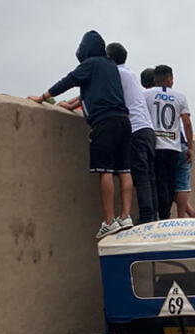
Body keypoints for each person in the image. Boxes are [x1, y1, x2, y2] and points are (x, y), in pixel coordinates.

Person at [28, 30, 133, 239]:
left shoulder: (91, 64)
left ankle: (110, 221)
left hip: (104, 122)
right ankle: (126, 216)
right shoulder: (111, 66)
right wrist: (74, 104)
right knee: (124, 170)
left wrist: (42, 98)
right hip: (123, 121)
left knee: (106, 170)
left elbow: (68, 81)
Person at [106, 43, 157, 224]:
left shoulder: (116, 74)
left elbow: (100, 92)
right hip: (148, 131)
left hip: (135, 129)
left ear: (109, 58)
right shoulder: (130, 74)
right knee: (150, 178)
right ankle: (154, 218)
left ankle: (146, 219)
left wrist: (71, 105)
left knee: (141, 176)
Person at [143, 65, 193, 220]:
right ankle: (166, 215)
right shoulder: (180, 97)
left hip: (154, 145)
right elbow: (187, 123)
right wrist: (190, 147)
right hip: (173, 147)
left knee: (156, 181)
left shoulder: (145, 94)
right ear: (170, 79)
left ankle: (156, 215)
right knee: (171, 183)